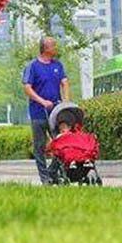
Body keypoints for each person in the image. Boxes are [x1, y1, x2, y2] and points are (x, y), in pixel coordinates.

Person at [22, 36, 70, 184]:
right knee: (40, 147)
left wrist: (66, 102)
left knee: (61, 143)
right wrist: (42, 101)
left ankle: (52, 172)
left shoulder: (58, 65)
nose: (56, 48)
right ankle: (45, 179)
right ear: (46, 48)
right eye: (53, 46)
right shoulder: (33, 66)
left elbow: (65, 82)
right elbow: (27, 88)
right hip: (38, 113)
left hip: (55, 113)